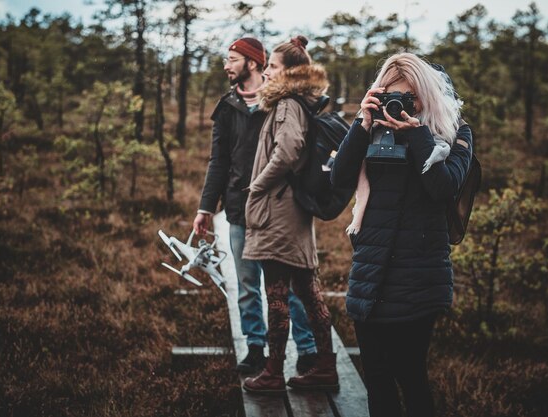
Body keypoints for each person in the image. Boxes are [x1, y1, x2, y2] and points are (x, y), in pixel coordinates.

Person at [331, 53, 473, 417]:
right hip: (371, 272)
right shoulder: (373, 128)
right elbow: (339, 178)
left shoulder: (454, 134)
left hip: (418, 277)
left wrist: (417, 135)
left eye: (408, 97)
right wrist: (362, 123)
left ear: (426, 95)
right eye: (391, 95)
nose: (399, 105)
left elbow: (442, 187)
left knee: (410, 375)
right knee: (377, 378)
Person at [192, 37, 318, 376]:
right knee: (247, 286)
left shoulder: (279, 100)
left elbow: (294, 149)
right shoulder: (227, 107)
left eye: (232, 59)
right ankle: (255, 348)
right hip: (237, 209)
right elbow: (218, 162)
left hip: (278, 209)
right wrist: (206, 208)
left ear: (253, 62)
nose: (226, 65)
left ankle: (307, 349)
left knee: (287, 285)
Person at [241, 36, 339, 395]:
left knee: (277, 294)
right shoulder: (296, 103)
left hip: (278, 212)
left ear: (290, 72)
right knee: (308, 291)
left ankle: (272, 373)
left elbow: (287, 151)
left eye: (272, 67)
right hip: (290, 211)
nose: (266, 72)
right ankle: (326, 366)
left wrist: (257, 186)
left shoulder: (286, 105)